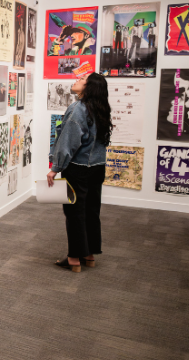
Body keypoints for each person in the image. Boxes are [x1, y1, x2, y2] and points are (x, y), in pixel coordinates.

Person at [47, 72, 112, 273]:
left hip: (77, 169)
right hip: (97, 167)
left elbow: (68, 143)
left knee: (75, 213)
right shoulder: (100, 109)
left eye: (82, 80)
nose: (76, 81)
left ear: (88, 87)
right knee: (92, 211)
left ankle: (74, 258)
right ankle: (89, 254)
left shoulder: (77, 109)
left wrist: (55, 168)